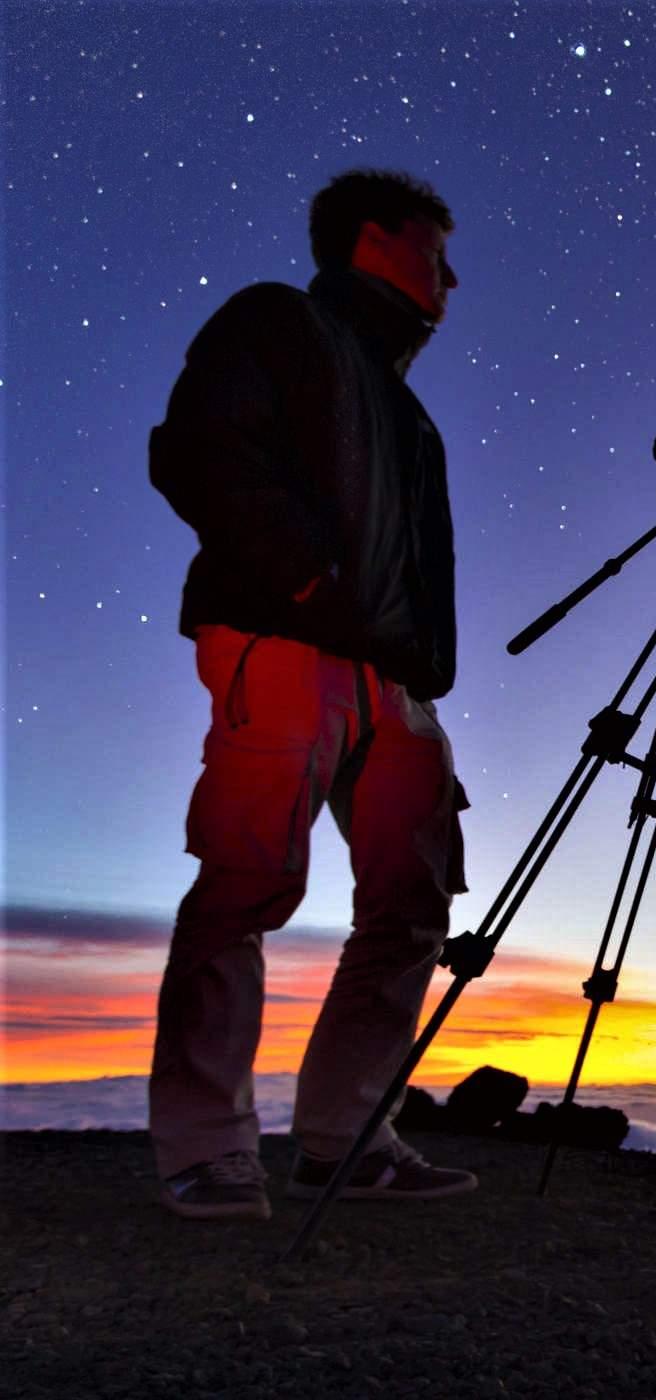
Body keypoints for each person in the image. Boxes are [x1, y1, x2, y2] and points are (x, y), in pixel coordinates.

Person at [147, 168, 476, 1219]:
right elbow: (196, 450)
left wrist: (420, 664)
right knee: (247, 882)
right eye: (435, 250)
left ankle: (345, 1136)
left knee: (413, 902)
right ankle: (207, 1149)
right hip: (284, 638)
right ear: (373, 239)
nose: (451, 277)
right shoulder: (275, 319)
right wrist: (306, 581)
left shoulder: (410, 413)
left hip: (394, 679)